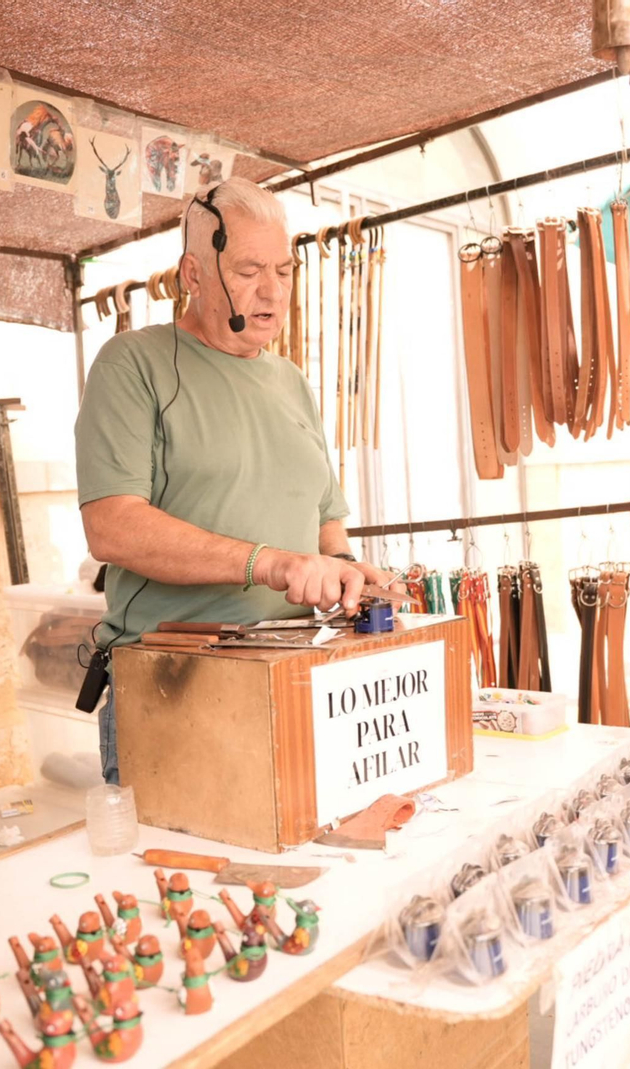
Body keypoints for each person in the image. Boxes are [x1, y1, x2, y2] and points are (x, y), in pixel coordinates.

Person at [74, 177, 387, 783]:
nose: (273, 291)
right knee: (185, 878)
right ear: (193, 274)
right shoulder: (132, 363)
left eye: (284, 270)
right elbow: (111, 526)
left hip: (295, 676)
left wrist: (348, 571)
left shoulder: (292, 380)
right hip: (176, 686)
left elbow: (323, 516)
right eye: (248, 270)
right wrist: (268, 563)